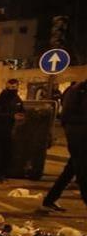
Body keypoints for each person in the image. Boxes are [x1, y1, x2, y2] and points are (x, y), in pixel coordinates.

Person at [43, 80, 86, 211]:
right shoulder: (79, 90)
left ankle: (50, 199)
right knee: (82, 170)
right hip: (80, 134)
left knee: (72, 169)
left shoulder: (76, 90)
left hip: (77, 133)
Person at [0, 78, 26, 182]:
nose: (12, 89)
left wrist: (21, 116)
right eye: (10, 87)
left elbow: (21, 111)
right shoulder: (0, 99)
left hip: (9, 130)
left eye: (14, 87)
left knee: (7, 153)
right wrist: (12, 116)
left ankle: (3, 174)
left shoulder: (18, 100)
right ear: (6, 86)